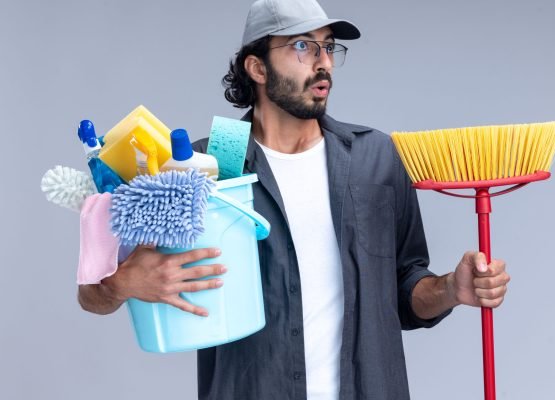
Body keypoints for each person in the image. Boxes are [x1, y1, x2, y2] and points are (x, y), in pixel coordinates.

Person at [78, 0, 510, 399]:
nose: (324, 63)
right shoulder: (202, 167)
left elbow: (405, 291)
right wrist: (122, 283)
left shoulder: (376, 158)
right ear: (257, 68)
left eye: (328, 47)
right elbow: (92, 293)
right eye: (303, 46)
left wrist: (452, 288)